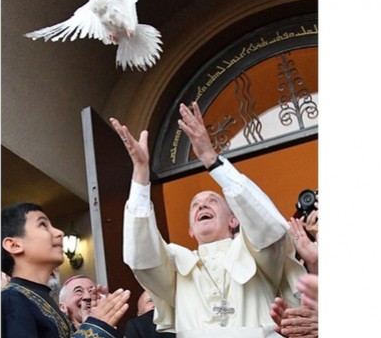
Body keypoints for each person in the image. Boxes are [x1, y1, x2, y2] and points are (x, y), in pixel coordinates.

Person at [110, 101, 306, 338]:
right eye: (195, 205)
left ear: (234, 220)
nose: (202, 204)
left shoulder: (256, 255)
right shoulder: (176, 270)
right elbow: (141, 257)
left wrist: (212, 160)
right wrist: (141, 174)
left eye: (213, 200)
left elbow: (270, 229)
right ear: (191, 230)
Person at [1, 202, 131, 338]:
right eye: (43, 225)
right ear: (14, 245)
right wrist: (96, 328)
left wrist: (93, 324)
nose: (59, 232)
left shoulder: (43, 298)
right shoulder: (11, 300)